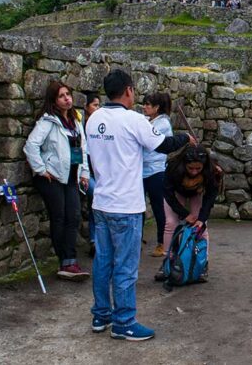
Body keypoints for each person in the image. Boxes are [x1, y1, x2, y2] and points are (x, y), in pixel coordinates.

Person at [86, 69, 195, 341]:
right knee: (124, 266)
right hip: (126, 205)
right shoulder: (134, 120)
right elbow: (163, 144)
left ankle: (101, 315)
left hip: (101, 202)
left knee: (103, 262)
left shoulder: (94, 118)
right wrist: (185, 138)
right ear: (128, 91)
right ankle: (124, 322)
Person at [24, 81, 91, 281]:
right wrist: (41, 169)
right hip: (52, 178)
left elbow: (83, 149)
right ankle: (65, 262)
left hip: (71, 176)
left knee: (74, 216)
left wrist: (84, 173)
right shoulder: (48, 122)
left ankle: (70, 260)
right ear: (54, 100)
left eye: (68, 94)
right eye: (61, 96)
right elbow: (31, 146)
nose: (67, 98)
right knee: (60, 217)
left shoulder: (76, 122)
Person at [154, 145, 220, 282]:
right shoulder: (173, 167)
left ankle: (202, 263)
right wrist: (184, 214)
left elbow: (209, 198)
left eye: (198, 168)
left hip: (197, 193)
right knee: (171, 223)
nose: (194, 172)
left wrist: (201, 218)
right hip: (176, 194)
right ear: (184, 164)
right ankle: (167, 261)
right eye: (191, 168)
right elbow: (168, 194)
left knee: (201, 227)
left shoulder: (211, 171)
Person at [141, 92, 173, 257]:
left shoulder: (163, 124)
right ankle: (136, 239)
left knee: (158, 207)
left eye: (148, 104)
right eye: (144, 104)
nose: (144, 107)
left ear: (157, 107)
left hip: (155, 170)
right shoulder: (147, 121)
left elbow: (145, 139)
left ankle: (162, 242)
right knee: (138, 207)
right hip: (141, 170)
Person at [83, 92, 101, 258]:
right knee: (95, 198)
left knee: (95, 204)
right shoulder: (80, 125)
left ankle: (97, 241)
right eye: (95, 105)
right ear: (86, 106)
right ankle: (95, 240)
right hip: (85, 171)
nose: (98, 108)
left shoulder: (99, 124)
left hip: (98, 171)